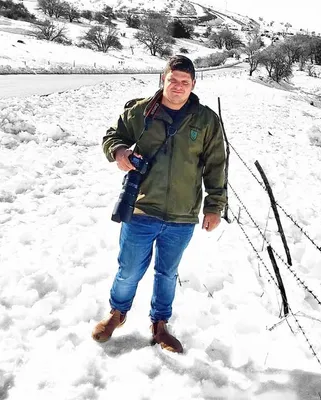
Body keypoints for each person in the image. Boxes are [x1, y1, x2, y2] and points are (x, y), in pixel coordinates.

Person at [92, 55, 227, 353]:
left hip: (182, 214)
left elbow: (216, 164)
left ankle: (160, 324)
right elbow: (112, 136)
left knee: (167, 273)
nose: (178, 86)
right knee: (129, 269)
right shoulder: (141, 111)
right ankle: (117, 313)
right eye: (172, 80)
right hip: (142, 207)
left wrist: (214, 206)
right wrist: (119, 152)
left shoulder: (206, 120)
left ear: (193, 84)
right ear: (162, 80)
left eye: (184, 82)